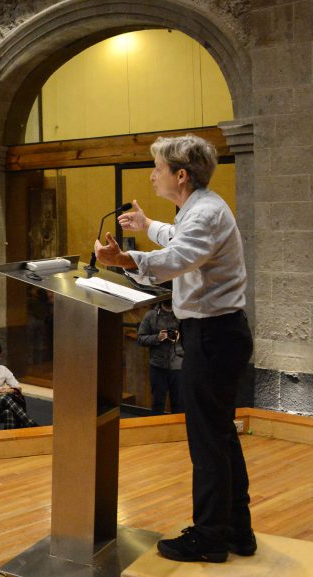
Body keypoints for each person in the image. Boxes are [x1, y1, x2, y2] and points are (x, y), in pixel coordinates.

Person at [95, 134, 254, 563]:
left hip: (212, 336)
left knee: (207, 442)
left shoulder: (202, 214)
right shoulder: (199, 207)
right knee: (220, 437)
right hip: (219, 333)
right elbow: (180, 237)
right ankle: (237, 529)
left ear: (180, 175)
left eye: (158, 168)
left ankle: (209, 537)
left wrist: (126, 260)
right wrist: (147, 227)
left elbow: (179, 257)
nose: (152, 175)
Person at [137, 300, 184, 414]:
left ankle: (177, 431)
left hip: (178, 366)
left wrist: (181, 336)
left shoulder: (183, 314)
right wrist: (157, 338)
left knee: (179, 404)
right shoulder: (150, 315)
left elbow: (193, 337)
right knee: (157, 403)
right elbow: (140, 339)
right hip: (158, 366)